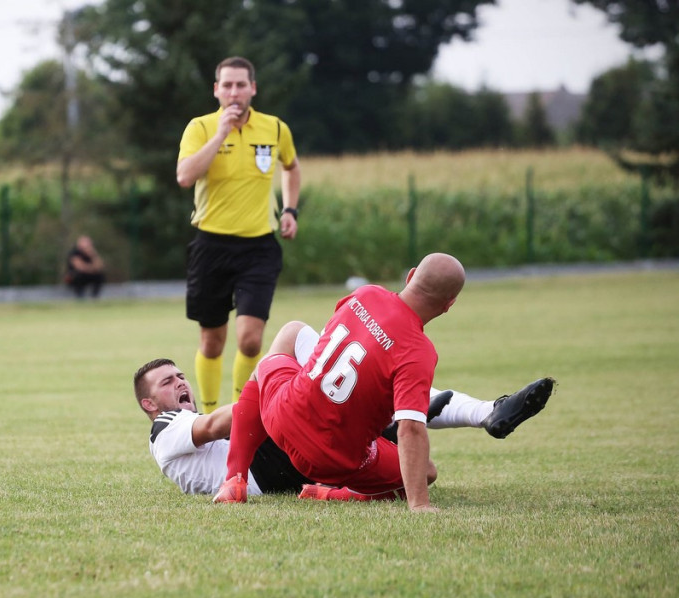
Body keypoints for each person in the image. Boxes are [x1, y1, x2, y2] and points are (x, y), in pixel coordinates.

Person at [216, 253, 539, 511]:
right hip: (326, 458)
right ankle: (335, 494)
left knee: (287, 337)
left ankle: (234, 479)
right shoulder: (418, 351)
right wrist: (420, 504)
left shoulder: (364, 293)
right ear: (449, 304)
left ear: (411, 275)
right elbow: (410, 428)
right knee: (425, 473)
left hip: (281, 415)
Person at [133, 339, 555, 497]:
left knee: (421, 473)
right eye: (168, 382)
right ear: (149, 404)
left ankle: (487, 413)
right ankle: (483, 411)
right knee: (295, 339)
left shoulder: (177, 426)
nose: (181, 382)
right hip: (267, 462)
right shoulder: (164, 431)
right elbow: (218, 424)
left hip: (286, 468)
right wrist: (309, 384)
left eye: (180, 375)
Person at [176, 56, 301, 413]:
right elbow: (185, 176)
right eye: (227, 85)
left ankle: (240, 413)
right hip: (210, 245)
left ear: (253, 88)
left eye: (241, 85)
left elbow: (291, 168)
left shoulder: (275, 128)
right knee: (212, 342)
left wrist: (289, 210)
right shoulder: (201, 127)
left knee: (250, 340)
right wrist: (220, 135)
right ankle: (210, 414)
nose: (234, 92)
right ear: (216, 90)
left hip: (258, 247)